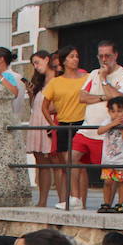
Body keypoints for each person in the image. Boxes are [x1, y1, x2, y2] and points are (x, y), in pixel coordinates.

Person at [67, 41, 123, 213]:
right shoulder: (93, 73)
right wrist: (105, 97)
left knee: (109, 174)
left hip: (108, 132)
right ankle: (75, 198)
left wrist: (104, 81)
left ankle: (110, 204)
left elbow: (119, 100)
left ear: (115, 56)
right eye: (101, 56)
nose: (104, 60)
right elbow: (82, 97)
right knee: (72, 158)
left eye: (107, 56)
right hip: (88, 127)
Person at [41, 45, 88, 209]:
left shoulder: (86, 78)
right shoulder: (55, 82)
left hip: (82, 123)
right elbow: (44, 106)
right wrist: (52, 124)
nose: (75, 59)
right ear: (64, 61)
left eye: (76, 56)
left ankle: (79, 198)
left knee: (77, 163)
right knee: (68, 164)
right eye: (71, 56)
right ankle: (75, 198)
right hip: (63, 124)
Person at [25, 50, 60, 207]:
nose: (36, 66)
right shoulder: (40, 81)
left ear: (47, 60)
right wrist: (31, 93)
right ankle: (42, 200)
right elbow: (34, 106)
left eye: (38, 62)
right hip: (37, 120)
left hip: (49, 121)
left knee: (56, 161)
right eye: (34, 64)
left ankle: (62, 200)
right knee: (41, 163)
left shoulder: (58, 79)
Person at [95, 96, 123, 214]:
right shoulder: (107, 122)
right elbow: (100, 131)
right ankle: (106, 203)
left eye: (119, 111)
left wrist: (120, 127)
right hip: (108, 159)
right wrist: (112, 124)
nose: (116, 114)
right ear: (109, 112)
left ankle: (120, 204)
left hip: (121, 159)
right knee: (107, 182)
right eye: (113, 111)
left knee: (121, 182)